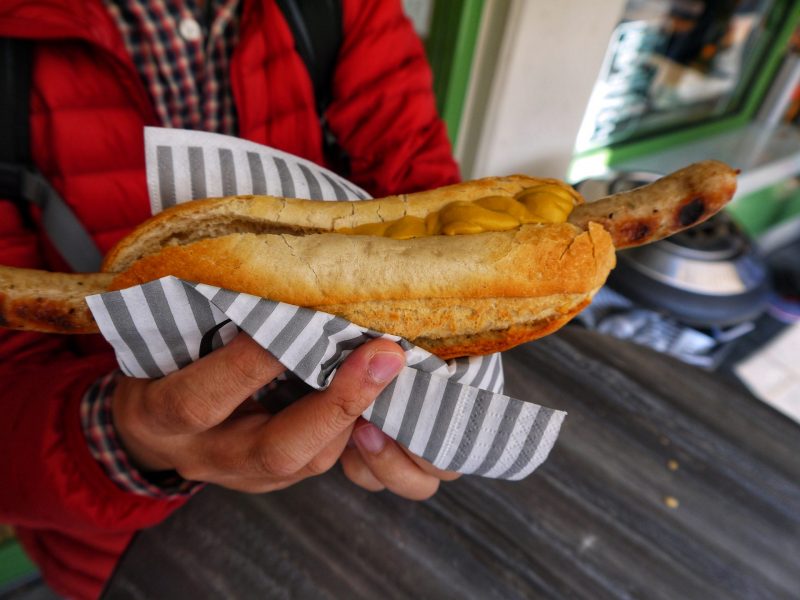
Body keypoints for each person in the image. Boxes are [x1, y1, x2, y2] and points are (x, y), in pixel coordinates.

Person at [0, 1, 462, 598]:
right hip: (120, 551)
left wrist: (439, 382)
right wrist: (125, 438)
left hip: (340, 495)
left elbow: (427, 197)